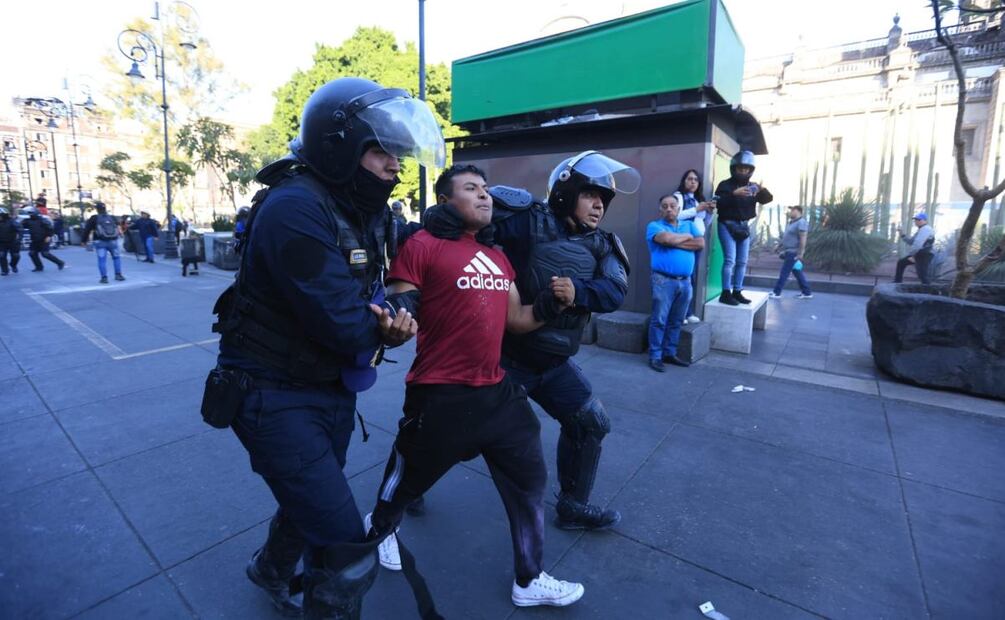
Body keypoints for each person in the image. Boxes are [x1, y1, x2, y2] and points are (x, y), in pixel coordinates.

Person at [208, 76, 442, 619]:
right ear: (340, 147)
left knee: (311, 501)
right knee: (343, 544)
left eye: (398, 153)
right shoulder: (296, 208)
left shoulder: (363, 210)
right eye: (382, 150)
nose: (396, 165)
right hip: (271, 394)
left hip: (327, 388)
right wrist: (389, 324)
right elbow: (348, 326)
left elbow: (405, 270)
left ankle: (268, 569)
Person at [365, 164, 586, 608]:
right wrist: (394, 321)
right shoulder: (423, 245)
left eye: (486, 189)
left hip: (496, 391)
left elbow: (519, 321)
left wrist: (551, 303)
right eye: (471, 189)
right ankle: (380, 525)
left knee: (529, 478)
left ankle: (529, 578)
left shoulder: (497, 256)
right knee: (409, 478)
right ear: (445, 202)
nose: (485, 196)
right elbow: (401, 300)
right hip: (440, 391)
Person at [647, 194, 704, 371]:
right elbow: (666, 239)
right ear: (660, 209)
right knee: (659, 320)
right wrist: (686, 237)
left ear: (678, 209)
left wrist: (675, 243)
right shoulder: (654, 226)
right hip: (663, 280)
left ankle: (669, 353)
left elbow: (700, 243)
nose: (669, 209)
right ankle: (655, 356)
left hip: (685, 282)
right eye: (665, 206)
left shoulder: (689, 224)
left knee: (677, 320)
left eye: (672, 206)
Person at [713, 150, 773, 306]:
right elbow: (717, 203)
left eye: (747, 169)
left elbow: (767, 200)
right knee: (730, 260)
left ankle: (737, 291)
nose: (743, 171)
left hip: (744, 226)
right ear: (734, 168)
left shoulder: (752, 187)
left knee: (742, 262)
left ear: (751, 170)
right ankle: (725, 293)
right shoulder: (725, 185)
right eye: (740, 168)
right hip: (727, 225)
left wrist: (761, 189)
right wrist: (734, 194)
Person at [674, 169, 715, 323]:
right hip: (683, 240)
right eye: (689, 179)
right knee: (682, 277)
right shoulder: (678, 196)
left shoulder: (699, 200)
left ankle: (688, 312)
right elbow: (676, 215)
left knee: (691, 278)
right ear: (684, 181)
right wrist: (696, 210)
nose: (693, 182)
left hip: (697, 240)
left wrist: (709, 213)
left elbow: (704, 223)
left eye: (696, 180)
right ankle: (680, 314)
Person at [769, 205, 812, 299]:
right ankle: (807, 292)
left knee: (784, 272)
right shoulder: (791, 223)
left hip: (793, 252)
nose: (790, 212)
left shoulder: (801, 222)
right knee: (797, 272)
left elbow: (803, 238)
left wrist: (801, 253)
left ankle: (777, 292)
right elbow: (786, 237)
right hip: (788, 251)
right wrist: (779, 246)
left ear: (798, 211)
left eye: (792, 210)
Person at [82, 201, 126, 284]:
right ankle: (118, 275)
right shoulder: (112, 217)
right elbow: (120, 226)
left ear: (97, 209)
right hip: (113, 240)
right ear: (105, 208)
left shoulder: (94, 218)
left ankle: (104, 277)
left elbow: (87, 230)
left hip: (100, 241)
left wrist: (83, 241)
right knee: (116, 258)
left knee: (102, 259)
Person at [895, 213, 935, 284]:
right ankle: (897, 282)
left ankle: (931, 292)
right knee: (901, 263)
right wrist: (902, 234)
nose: (916, 221)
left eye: (919, 219)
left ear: (925, 221)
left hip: (925, 254)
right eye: (915, 220)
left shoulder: (926, 229)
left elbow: (918, 244)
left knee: (922, 275)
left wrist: (912, 255)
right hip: (920, 253)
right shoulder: (921, 230)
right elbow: (911, 242)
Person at [22, 207, 64, 272]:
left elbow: (50, 228)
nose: (30, 214)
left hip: (44, 239)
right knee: (32, 253)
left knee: (45, 254)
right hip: (34, 240)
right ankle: (39, 267)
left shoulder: (42, 220)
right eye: (29, 213)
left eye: (31, 213)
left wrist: (49, 236)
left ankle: (60, 263)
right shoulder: (27, 221)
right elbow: (19, 226)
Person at [0, 207, 22, 275]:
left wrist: (19, 239)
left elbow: (20, 229)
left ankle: (13, 265)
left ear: (4, 215)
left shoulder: (12, 221)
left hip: (12, 241)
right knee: (1, 255)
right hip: (2, 242)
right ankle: (5, 270)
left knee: (16, 256)